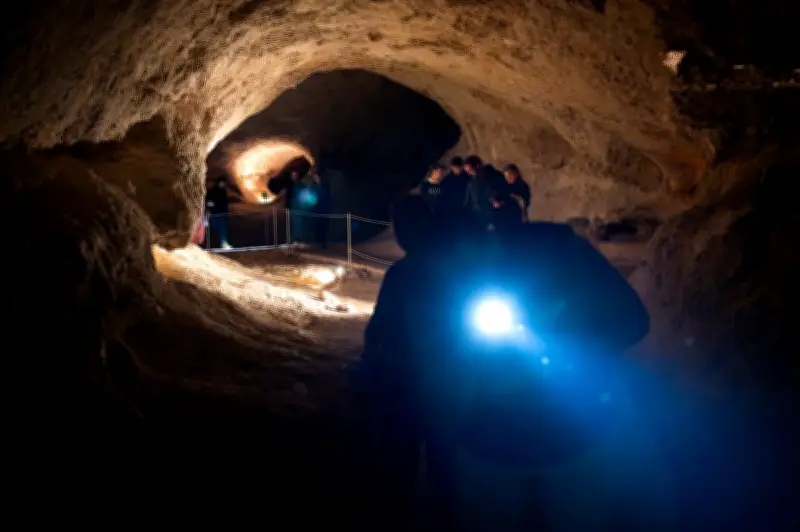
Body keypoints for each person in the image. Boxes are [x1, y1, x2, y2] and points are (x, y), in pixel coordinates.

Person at [358, 205, 659, 529]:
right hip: (491, 443)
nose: (449, 278)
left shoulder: (562, 258)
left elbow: (633, 322)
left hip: (570, 440)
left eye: (451, 264)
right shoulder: (443, 276)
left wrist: (565, 340)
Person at [463, 155, 507, 227]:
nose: (469, 173)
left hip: (496, 216)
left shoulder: (495, 176)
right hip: (479, 218)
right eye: (467, 171)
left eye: (470, 170)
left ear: (478, 166)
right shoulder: (471, 183)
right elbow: (468, 202)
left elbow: (505, 191)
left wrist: (498, 200)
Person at [205, 176, 232, 249]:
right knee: (212, 229)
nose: (223, 184)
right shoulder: (212, 191)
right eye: (222, 183)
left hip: (222, 214)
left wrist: (226, 213)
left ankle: (223, 243)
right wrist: (210, 205)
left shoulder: (223, 191)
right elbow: (208, 201)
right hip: (214, 213)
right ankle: (208, 244)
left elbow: (225, 203)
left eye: (224, 183)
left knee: (222, 228)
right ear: (218, 182)